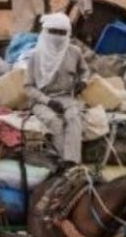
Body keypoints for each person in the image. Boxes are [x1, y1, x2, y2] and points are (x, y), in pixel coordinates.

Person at [24, 13, 89, 166]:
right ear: (46, 32)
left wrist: (83, 82)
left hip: (68, 97)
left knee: (73, 118)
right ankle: (61, 162)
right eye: (54, 32)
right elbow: (28, 87)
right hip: (42, 101)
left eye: (62, 33)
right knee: (55, 122)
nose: (58, 36)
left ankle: (72, 163)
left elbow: (85, 71)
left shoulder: (74, 52)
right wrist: (48, 101)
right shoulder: (36, 56)